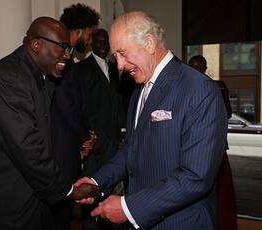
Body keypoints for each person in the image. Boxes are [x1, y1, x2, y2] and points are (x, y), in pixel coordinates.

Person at [0, 17, 102, 230]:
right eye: (62, 47)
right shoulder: (10, 79)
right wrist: (69, 190)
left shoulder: (41, 75)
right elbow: (28, 148)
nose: (68, 56)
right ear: (36, 44)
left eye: (69, 48)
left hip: (19, 192)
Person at [76, 11, 228, 230]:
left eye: (122, 53)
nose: (119, 65)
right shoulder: (140, 90)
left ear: (148, 43)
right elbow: (131, 149)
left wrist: (129, 208)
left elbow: (196, 177)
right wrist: (96, 183)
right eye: (115, 56)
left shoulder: (200, 90)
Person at [49, 4, 101, 230]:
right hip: (60, 148)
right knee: (58, 214)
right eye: (89, 35)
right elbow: (65, 105)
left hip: (68, 145)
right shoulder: (60, 59)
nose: (89, 41)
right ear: (79, 31)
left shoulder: (68, 58)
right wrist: (86, 136)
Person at [73, 28, 124, 229]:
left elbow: (117, 101)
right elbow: (79, 106)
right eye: (99, 41)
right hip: (94, 144)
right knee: (90, 191)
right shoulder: (81, 69)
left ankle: (108, 223)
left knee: (111, 189)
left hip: (114, 140)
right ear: (92, 43)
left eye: (106, 42)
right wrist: (88, 137)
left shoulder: (115, 67)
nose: (103, 45)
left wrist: (122, 131)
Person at [189, 54, 238, 230]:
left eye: (198, 67)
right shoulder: (183, 88)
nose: (195, 70)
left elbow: (227, 113)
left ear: (205, 68)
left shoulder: (218, 86)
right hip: (190, 149)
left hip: (214, 146)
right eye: (192, 66)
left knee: (220, 192)